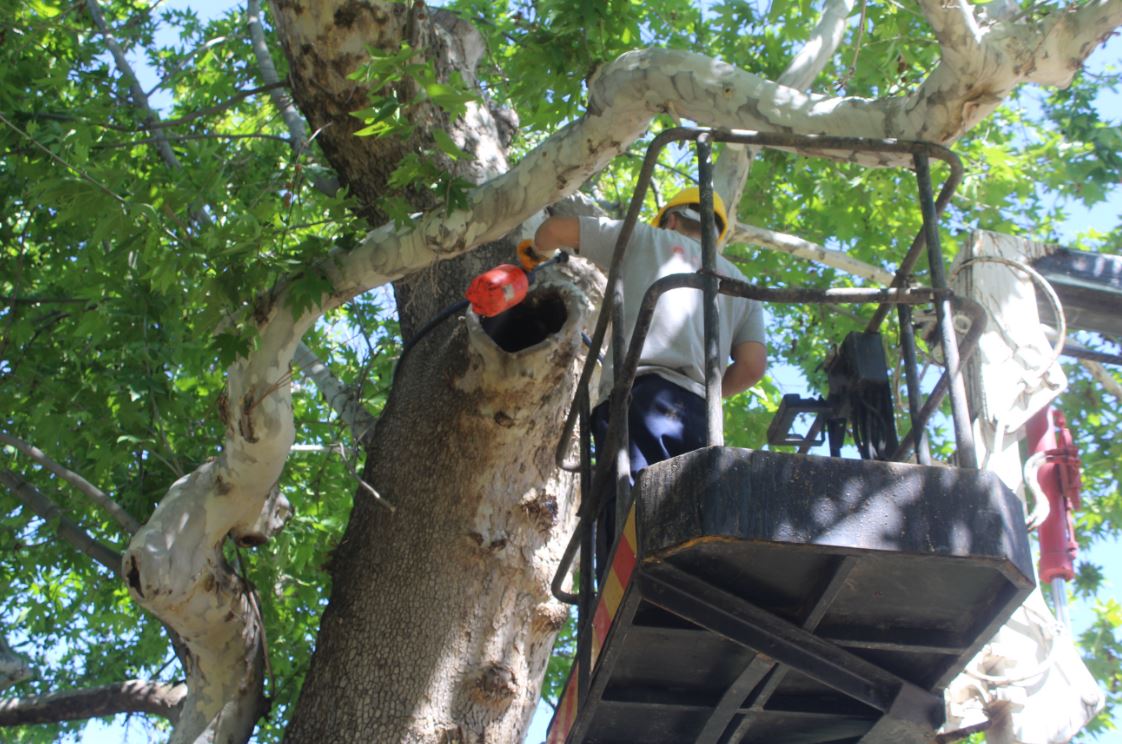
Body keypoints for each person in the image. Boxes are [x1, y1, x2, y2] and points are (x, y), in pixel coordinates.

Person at [522, 187, 768, 569]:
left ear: (670, 219)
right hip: (700, 412)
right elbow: (752, 366)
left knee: (629, 511)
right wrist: (710, 395)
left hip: (639, 397)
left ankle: (625, 590)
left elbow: (554, 230)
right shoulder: (738, 282)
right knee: (690, 518)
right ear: (715, 234)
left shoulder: (643, 237)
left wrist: (534, 254)